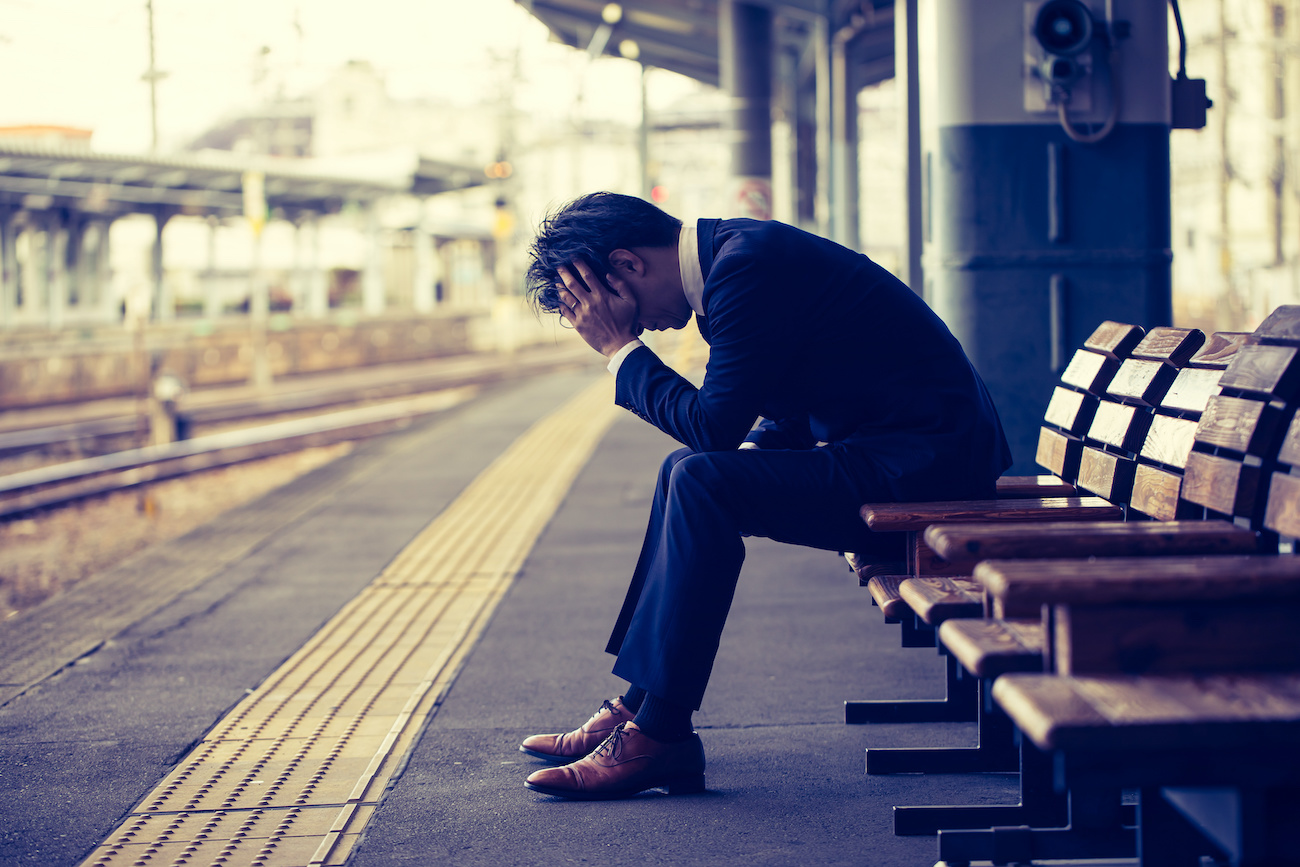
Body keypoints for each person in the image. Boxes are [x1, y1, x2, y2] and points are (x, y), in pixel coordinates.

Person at [518, 191, 1012, 800]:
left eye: (624, 311)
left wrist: (621, 351)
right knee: (686, 471)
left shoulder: (746, 267)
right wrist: (748, 457)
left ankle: (661, 734)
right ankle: (640, 708)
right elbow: (785, 410)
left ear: (628, 264)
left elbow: (713, 427)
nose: (639, 324)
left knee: (701, 476)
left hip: (927, 465)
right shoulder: (740, 257)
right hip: (899, 452)